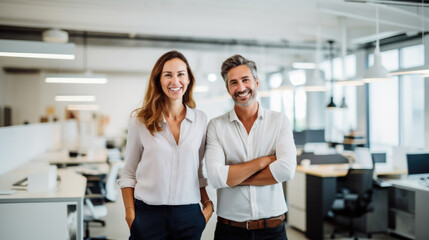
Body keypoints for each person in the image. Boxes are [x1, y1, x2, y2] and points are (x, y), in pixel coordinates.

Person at [118, 50, 213, 240]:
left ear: (188, 79)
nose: (175, 81)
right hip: (148, 216)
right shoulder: (141, 120)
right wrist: (131, 214)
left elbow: (197, 171)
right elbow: (128, 173)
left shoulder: (201, 120)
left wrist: (208, 206)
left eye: (180, 74)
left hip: (189, 216)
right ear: (158, 80)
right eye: (168, 75)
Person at [205, 54, 296, 240]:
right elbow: (215, 177)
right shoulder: (216, 126)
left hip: (273, 229)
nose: (241, 88)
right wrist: (263, 162)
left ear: (256, 82)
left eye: (245, 80)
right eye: (233, 83)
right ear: (228, 88)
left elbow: (286, 170)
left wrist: (231, 178)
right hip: (230, 230)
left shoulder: (279, 122)